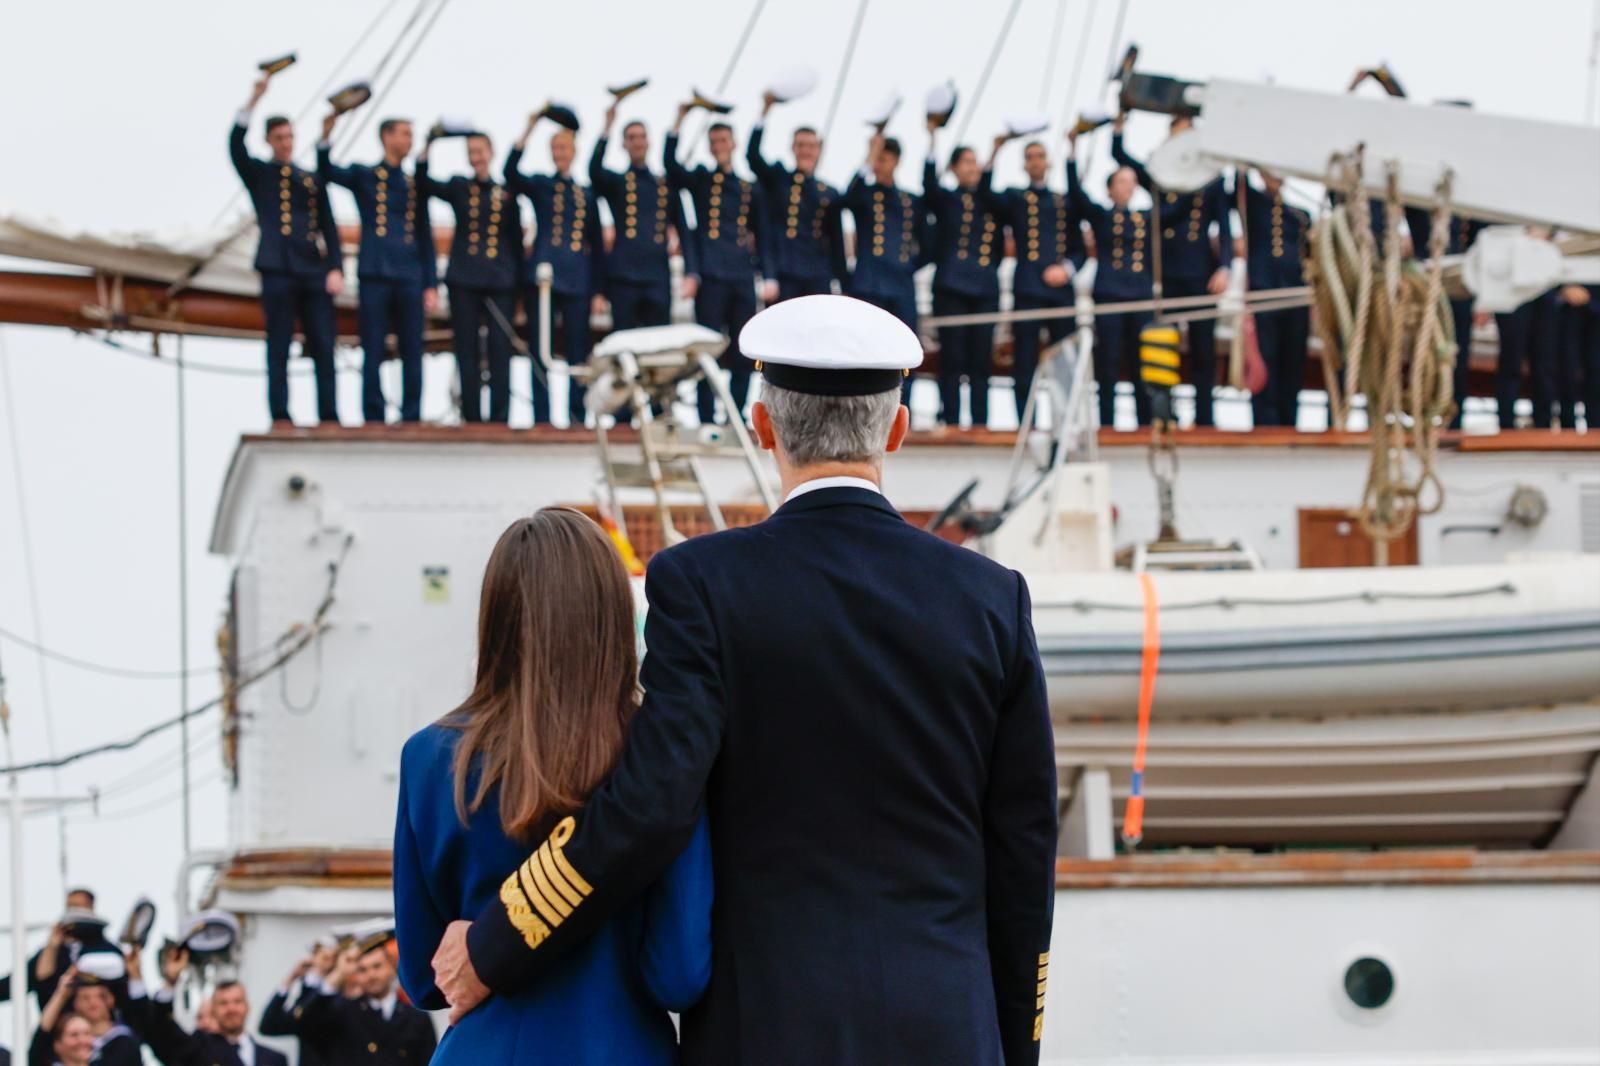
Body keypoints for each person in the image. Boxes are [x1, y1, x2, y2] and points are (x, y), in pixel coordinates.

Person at [432, 294, 1058, 1066]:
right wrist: (1010, 1049)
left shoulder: (700, 583)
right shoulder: (993, 600)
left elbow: (651, 804)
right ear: (896, 430)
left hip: (761, 1032)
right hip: (947, 1032)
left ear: (762, 427)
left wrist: (499, 939)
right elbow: (1024, 854)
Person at [393, 509, 712, 1063]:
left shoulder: (429, 757)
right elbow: (678, 972)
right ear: (610, 614)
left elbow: (426, 977)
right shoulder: (659, 755)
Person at [230, 74, 344, 429]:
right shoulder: (260, 175)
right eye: (279, 138)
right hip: (277, 267)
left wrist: (335, 266)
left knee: (323, 345)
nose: (286, 143)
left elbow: (329, 225)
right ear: (268, 140)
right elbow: (235, 147)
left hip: (312, 268)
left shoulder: (309, 180)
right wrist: (252, 101)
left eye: (290, 137)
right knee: (278, 345)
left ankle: (329, 416)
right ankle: (280, 415)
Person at [1112, 114, 1233, 427]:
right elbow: (1122, 158)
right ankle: (1163, 413)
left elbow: (1224, 225)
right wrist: (1119, 129)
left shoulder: (1213, 179)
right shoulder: (1160, 175)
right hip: (1164, 271)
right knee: (1160, 347)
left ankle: (1205, 418)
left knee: (1203, 350)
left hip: (1201, 273)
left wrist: (1225, 266)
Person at [319, 113, 439, 425]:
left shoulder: (414, 185)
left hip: (410, 275)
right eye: (404, 134)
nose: (409, 141)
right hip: (375, 273)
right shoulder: (366, 175)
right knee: (372, 347)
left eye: (411, 135)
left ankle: (411, 415)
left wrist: (430, 283)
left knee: (412, 350)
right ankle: (373, 414)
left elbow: (425, 235)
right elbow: (327, 171)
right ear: (387, 137)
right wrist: (325, 138)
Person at [665, 106, 775, 425]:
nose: (718, 146)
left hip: (741, 274)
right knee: (707, 350)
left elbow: (763, 235)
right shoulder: (701, 180)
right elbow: (671, 166)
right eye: (713, 141)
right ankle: (704, 414)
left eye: (723, 139)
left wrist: (767, 275)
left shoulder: (749, 188)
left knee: (743, 349)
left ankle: (735, 412)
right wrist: (680, 119)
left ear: (733, 143)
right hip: (711, 274)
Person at [505, 109, 607, 426]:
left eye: (565, 149)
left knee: (577, 350)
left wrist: (599, 290)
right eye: (556, 149)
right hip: (544, 281)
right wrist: (529, 127)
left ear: (573, 152)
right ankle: (542, 417)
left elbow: (597, 245)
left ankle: (577, 415)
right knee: (541, 349)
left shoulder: (586, 195)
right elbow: (510, 172)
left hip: (577, 280)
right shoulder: (540, 186)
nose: (560, 154)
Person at [417, 128, 522, 424]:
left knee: (500, 349)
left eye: (480, 151)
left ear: (491, 152)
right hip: (464, 278)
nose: (476, 157)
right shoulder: (459, 187)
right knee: (467, 349)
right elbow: (424, 183)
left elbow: (514, 241)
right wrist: (429, 144)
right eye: (471, 152)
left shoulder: (507, 195)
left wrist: (518, 287)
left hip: (500, 279)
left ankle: (501, 417)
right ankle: (472, 416)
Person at [980, 134, 1084, 427]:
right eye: (1030, 157)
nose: (1036, 161)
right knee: (1024, 359)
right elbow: (986, 195)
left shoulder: (1064, 202)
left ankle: (1066, 424)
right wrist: (995, 151)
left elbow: (1078, 248)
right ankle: (1027, 423)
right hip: (1028, 287)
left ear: (1048, 162)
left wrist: (1067, 269)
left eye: (1040, 155)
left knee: (1065, 360)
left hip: (1061, 291)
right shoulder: (1016, 198)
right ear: (1024, 165)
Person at [1066, 126, 1154, 428]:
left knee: (1142, 363)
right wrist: (1072, 153)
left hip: (1139, 296)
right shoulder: (1103, 217)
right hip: (1110, 295)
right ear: (1110, 189)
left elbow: (1176, 206)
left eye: (1132, 183)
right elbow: (1076, 196)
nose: (1129, 187)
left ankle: (1145, 422)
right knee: (1108, 363)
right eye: (1122, 182)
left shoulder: (1147, 219)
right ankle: (1107, 424)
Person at [840, 134, 930, 407]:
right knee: (865, 348)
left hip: (901, 284)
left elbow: (929, 243)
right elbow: (847, 198)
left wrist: (909, 265)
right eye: (877, 159)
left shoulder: (910, 201)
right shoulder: (865, 195)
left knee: (904, 348)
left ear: (896, 161)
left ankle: (904, 406)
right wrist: (867, 158)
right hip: (869, 283)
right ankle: (862, 404)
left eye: (885, 158)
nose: (880, 164)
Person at [588, 106, 696, 331]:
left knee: (658, 342)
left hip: (657, 275)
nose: (637, 142)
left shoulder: (665, 185)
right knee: (624, 342)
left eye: (641, 137)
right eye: (631, 138)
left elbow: (684, 231)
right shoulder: (617, 183)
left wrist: (691, 273)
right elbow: (594, 171)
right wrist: (607, 127)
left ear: (649, 142)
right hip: (623, 277)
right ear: (624, 144)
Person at [924, 122, 1002, 429]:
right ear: (954, 168)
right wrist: (932, 139)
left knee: (981, 359)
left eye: (977, 162)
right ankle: (953, 420)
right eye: (968, 162)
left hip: (984, 289)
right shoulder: (947, 200)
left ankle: (981, 423)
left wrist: (995, 153)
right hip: (951, 287)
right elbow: (929, 187)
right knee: (953, 358)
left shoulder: (992, 202)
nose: (974, 167)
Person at [1231, 168, 1311, 428]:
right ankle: (1266, 422)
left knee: (1293, 359)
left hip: (1295, 293)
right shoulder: (1254, 203)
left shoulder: (1300, 216)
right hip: (1264, 290)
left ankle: (1289, 421)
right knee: (1265, 358)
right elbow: (1238, 184)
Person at [747, 93, 843, 300]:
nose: (805, 151)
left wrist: (839, 279)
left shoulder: (829, 192)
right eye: (801, 145)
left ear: (819, 151)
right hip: (785, 271)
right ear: (793, 148)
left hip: (817, 273)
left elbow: (836, 241)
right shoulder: (779, 179)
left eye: (811, 146)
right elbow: (753, 157)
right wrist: (764, 112)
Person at [125, 948, 287, 1066]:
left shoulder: (275, 1059)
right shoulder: (198, 1049)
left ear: (247, 1006)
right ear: (214, 1011)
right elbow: (158, 1030)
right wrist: (170, 982)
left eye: (237, 1002)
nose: (231, 1009)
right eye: (223, 1003)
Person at [295, 935, 435, 1065]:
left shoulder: (417, 1018)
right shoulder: (343, 1011)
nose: (371, 975)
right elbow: (304, 1023)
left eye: (377, 966)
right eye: (363, 970)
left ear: (392, 968)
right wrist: (339, 974)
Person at [1405, 207, 1482, 428]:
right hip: (1422, 285)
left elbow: (1477, 246)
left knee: (1458, 354)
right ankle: (1420, 415)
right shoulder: (1416, 204)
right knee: (1420, 354)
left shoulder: (1464, 207)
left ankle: (1455, 418)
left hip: (1460, 286)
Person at [2, 896, 118, 1011]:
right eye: (70, 907)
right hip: (58, 1023)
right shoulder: (51, 952)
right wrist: (52, 945)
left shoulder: (109, 951)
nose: (75, 912)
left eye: (79, 907)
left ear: (91, 908)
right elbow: (16, 984)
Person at [32, 964, 139, 1066]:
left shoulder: (122, 1043)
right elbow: (41, 1038)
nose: (82, 1040)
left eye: (87, 1034)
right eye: (74, 1035)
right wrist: (61, 995)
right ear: (57, 1045)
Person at [1558, 283, 1599, 429]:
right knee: (1567, 370)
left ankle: (1596, 430)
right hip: (1567, 304)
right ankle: (1566, 429)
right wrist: (1563, 287)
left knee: (1597, 372)